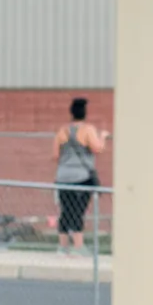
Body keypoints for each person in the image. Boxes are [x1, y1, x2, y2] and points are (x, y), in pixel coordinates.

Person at [53, 97, 107, 255]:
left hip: (62, 176)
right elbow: (97, 149)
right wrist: (103, 136)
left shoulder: (62, 131)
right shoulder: (88, 130)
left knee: (65, 210)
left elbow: (55, 155)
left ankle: (62, 247)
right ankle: (78, 247)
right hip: (81, 177)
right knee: (78, 210)